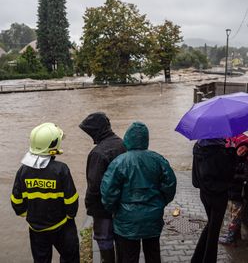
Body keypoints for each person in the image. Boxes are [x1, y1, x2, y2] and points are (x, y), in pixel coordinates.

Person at [101, 121, 177, 263]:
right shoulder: (158, 159)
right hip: (152, 217)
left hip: (126, 219)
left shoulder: (119, 162)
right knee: (153, 253)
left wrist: (114, 209)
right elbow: (170, 184)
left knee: (129, 256)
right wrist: (161, 202)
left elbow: (108, 192)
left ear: (127, 139)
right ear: (146, 140)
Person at [10, 122, 80, 263]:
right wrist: (69, 216)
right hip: (62, 226)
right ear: (54, 145)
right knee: (70, 257)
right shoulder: (61, 169)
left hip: (36, 229)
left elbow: (16, 201)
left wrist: (30, 215)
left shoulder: (23, 170)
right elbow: (71, 201)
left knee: (41, 260)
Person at [79, 112, 126, 263]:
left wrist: (90, 206)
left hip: (103, 208)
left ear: (96, 131)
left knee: (104, 239)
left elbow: (94, 186)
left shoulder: (98, 153)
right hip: (124, 204)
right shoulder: (123, 144)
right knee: (121, 238)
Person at [191, 138, 237, 263]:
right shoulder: (221, 152)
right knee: (214, 232)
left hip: (204, 194)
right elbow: (229, 175)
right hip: (218, 196)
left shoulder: (198, 147)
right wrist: (233, 152)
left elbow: (195, 177)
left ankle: (196, 259)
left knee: (211, 226)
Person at [219, 133, 248, 246]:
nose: (242, 150)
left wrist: (232, 176)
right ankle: (236, 235)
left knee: (235, 216)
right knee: (233, 214)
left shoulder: (245, 162)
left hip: (240, 193)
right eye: (240, 148)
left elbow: (245, 177)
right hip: (233, 192)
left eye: (244, 148)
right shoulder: (236, 159)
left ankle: (231, 239)